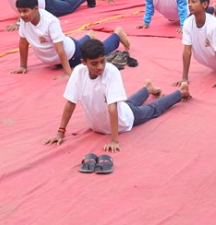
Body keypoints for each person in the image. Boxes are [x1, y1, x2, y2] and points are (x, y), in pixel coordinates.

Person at [44, 37, 188, 154]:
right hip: (103, 122)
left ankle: (180, 92)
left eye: (102, 61)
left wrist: (114, 140)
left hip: (123, 121)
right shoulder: (78, 72)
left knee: (152, 109)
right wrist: (60, 132)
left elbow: (112, 108)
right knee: (127, 103)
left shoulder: (111, 72)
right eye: (94, 63)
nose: (100, 66)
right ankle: (147, 89)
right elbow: (70, 103)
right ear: (83, 63)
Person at [11, 0, 130, 74]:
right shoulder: (24, 20)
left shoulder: (50, 21)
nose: (22, 15)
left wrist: (67, 73)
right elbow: (23, 43)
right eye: (19, 11)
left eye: (25, 11)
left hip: (72, 56)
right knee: (79, 44)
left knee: (98, 52)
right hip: (60, 53)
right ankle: (88, 36)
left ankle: (117, 35)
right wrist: (23, 66)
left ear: (36, 9)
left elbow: (60, 49)